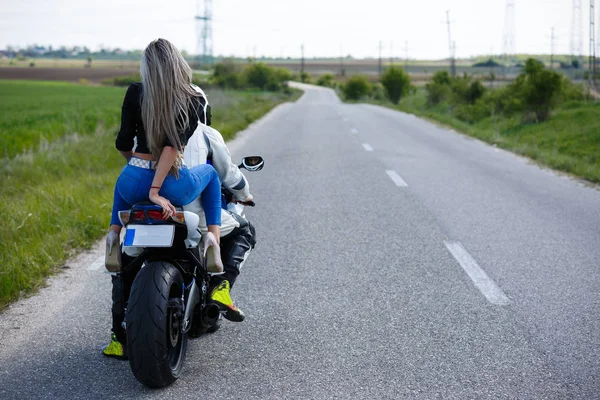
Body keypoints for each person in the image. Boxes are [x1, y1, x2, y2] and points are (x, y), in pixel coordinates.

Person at [102, 38, 223, 359]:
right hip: (169, 183)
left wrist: (139, 170)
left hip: (133, 176)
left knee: (123, 184)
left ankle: (114, 232)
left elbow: (123, 142)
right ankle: (213, 240)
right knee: (210, 175)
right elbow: (172, 147)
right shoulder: (192, 98)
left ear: (147, 68)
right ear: (178, 65)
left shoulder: (134, 92)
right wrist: (156, 189)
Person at [183, 120, 257, 325]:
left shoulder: (145, 128)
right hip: (192, 211)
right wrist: (245, 195)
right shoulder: (205, 132)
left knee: (125, 257)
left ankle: (118, 327)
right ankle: (220, 286)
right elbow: (229, 175)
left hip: (149, 206)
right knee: (245, 230)